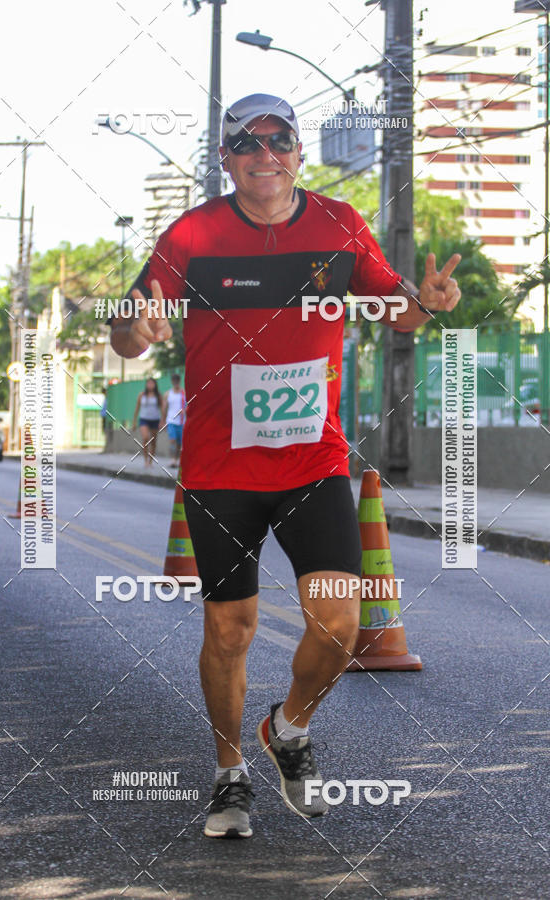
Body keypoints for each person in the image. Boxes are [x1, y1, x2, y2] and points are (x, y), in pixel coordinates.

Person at [110, 93, 461, 839]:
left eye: (279, 140)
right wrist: (133, 329)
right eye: (246, 142)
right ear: (226, 159)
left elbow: (395, 309)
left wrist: (426, 304)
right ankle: (229, 774)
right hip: (220, 469)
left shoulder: (340, 224)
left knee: (339, 622)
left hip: (313, 462)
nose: (263, 154)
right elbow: (131, 331)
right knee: (230, 630)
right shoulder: (192, 234)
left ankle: (289, 728)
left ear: (298, 152)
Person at [133, 377, 162, 467]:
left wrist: (163, 421)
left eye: (152, 383)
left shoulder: (158, 396)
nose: (150, 385)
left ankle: (150, 461)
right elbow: (137, 408)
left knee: (153, 441)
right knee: (145, 438)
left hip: (155, 419)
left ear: (155, 385)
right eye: (148, 383)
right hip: (144, 419)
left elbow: (162, 409)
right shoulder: (142, 395)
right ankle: (145, 460)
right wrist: (134, 422)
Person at [160, 373, 185, 468]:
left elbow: (188, 405)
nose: (176, 382)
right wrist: (162, 421)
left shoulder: (183, 393)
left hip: (181, 421)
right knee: (172, 440)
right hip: (171, 420)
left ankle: (176, 459)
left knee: (179, 443)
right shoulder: (167, 394)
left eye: (177, 380)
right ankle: (172, 459)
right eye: (174, 380)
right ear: (172, 381)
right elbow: (164, 408)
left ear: (179, 381)